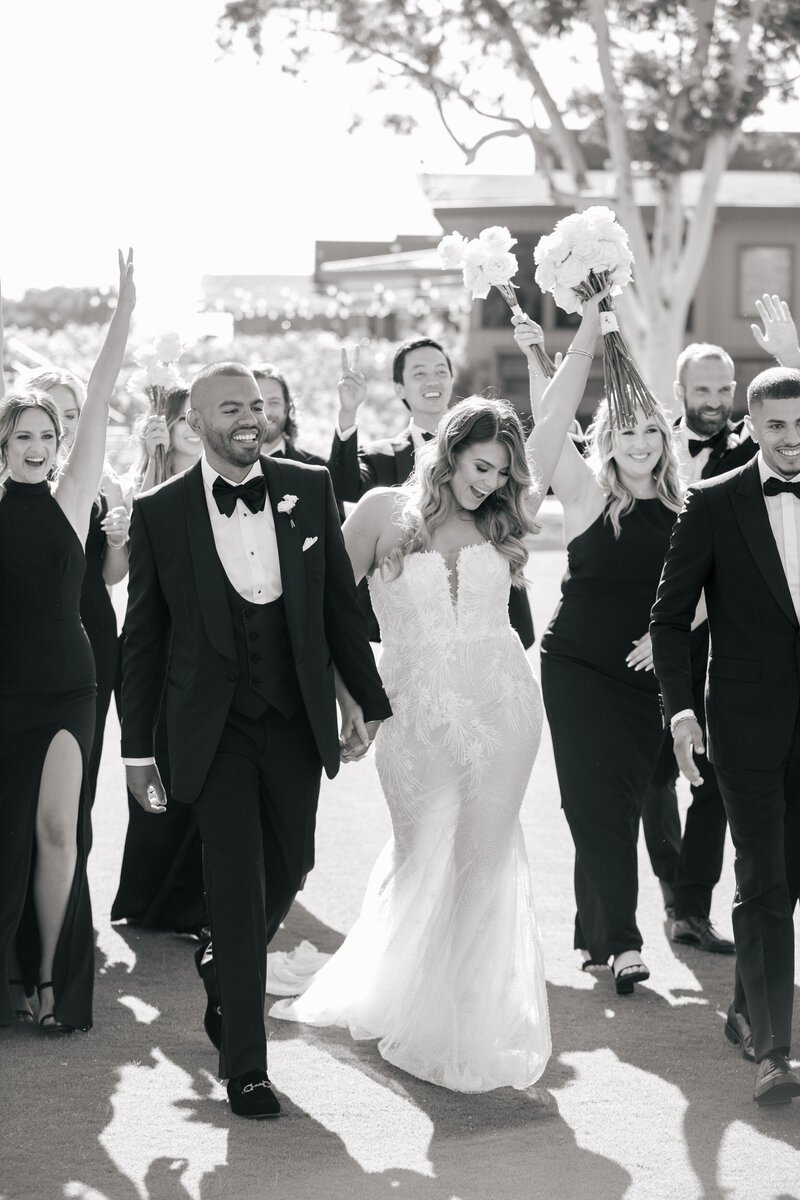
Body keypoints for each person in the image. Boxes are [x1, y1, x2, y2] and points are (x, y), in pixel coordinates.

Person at [120, 360, 391, 1119]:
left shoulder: (309, 489)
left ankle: (219, 963)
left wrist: (361, 703)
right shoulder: (160, 511)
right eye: (231, 407)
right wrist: (136, 750)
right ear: (197, 421)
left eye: (258, 406)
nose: (249, 417)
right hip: (211, 730)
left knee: (294, 862)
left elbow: (340, 604)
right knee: (235, 890)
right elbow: (142, 639)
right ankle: (246, 1066)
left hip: (294, 716)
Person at [271, 393, 551, 1092]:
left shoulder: (501, 514)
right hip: (412, 705)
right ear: (450, 450)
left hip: (504, 701)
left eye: (502, 474)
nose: (490, 484)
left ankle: (462, 1017)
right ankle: (401, 991)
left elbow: (561, 409)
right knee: (422, 849)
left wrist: (588, 319)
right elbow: (328, 611)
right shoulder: (379, 512)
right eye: (481, 466)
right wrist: (351, 703)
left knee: (483, 861)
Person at [514, 303, 686, 995]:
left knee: (619, 799)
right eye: (627, 431)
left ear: (665, 441)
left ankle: (593, 932)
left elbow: (710, 591)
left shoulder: (689, 510)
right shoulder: (586, 497)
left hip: (650, 674)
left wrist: (665, 633)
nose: (640, 443)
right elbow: (548, 435)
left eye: (651, 431)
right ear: (608, 438)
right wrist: (543, 363)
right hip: (579, 666)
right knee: (596, 804)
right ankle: (622, 945)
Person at [651, 366, 800, 1107]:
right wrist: (681, 711)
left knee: (788, 879)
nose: (793, 440)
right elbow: (668, 617)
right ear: (753, 424)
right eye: (777, 426)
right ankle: (776, 1050)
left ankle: (745, 1006)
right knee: (762, 877)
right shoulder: (713, 503)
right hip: (743, 725)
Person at [0, 249, 135, 1033]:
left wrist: (123, 308)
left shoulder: (73, 496)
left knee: (57, 832)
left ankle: (50, 978)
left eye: (50, 433)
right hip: (2, 688)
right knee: (7, 838)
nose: (41, 444)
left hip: (65, 685)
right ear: (6, 440)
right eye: (24, 433)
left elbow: (105, 388)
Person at [640, 343, 756, 954]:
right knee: (651, 773)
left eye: (724, 390)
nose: (715, 403)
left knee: (709, 777)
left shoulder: (752, 449)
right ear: (680, 390)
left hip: (720, 643)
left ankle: (690, 909)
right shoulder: (646, 443)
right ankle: (670, 878)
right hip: (641, 636)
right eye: (703, 391)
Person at [327, 337, 535, 648]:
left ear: (452, 380)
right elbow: (343, 486)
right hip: (411, 636)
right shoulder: (380, 456)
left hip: (489, 629)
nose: (432, 380)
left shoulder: (495, 443)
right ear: (400, 389)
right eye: (419, 373)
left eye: (440, 371)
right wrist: (347, 413)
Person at [112, 386, 207, 935]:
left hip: (205, 650)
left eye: (197, 416)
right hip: (148, 649)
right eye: (179, 418)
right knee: (151, 771)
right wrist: (148, 464)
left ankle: (190, 900)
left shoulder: (229, 480)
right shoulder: (136, 481)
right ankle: (145, 897)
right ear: (163, 425)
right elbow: (127, 565)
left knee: (197, 774)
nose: (190, 426)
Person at [19, 368, 131, 802]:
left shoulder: (106, 483)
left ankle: (75, 867)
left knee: (81, 768)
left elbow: (112, 576)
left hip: (93, 634)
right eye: (52, 413)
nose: (63, 426)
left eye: (72, 413)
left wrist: (119, 541)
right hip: (25, 634)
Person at [251, 361, 344, 520]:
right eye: (258, 404)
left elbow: (337, 537)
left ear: (288, 408)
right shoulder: (225, 470)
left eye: (274, 402)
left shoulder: (318, 470)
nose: (266, 412)